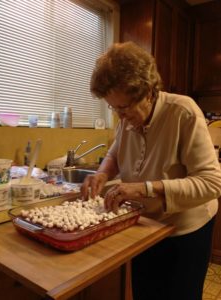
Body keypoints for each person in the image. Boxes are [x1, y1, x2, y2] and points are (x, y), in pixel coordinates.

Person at [81, 41, 221, 300]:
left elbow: (212, 183)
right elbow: (115, 151)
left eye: (123, 108)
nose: (120, 116)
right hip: (145, 226)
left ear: (147, 91)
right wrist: (103, 173)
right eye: (113, 108)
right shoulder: (127, 119)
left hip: (185, 229)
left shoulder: (183, 112)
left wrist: (144, 188)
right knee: (146, 293)